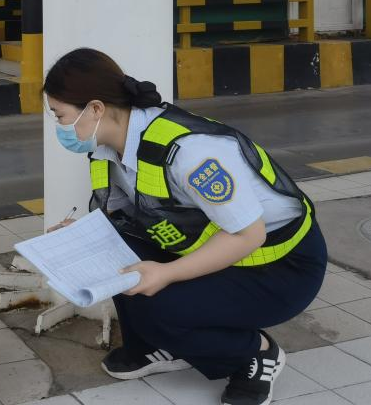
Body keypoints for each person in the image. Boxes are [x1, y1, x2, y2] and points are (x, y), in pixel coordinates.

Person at [42, 48, 326, 405]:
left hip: (280, 266)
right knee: (111, 251)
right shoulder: (109, 147)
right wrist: (78, 235)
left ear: (95, 108)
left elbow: (249, 234)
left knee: (161, 309)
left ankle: (254, 354)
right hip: (219, 245)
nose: (60, 127)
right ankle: (153, 346)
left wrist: (168, 273)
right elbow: (122, 217)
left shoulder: (190, 153)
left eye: (60, 116)